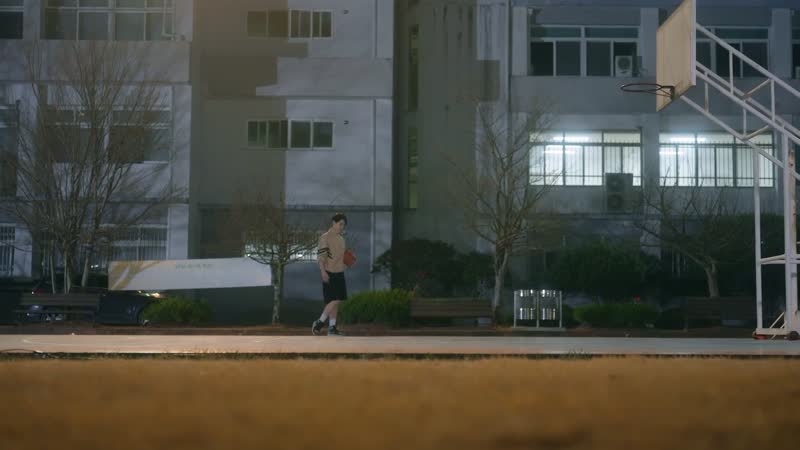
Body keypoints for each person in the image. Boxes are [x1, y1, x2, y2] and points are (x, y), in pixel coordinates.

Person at [312, 213, 349, 336]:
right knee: (334, 300)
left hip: (340, 272)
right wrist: (322, 271)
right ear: (333, 223)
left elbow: (341, 257)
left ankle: (332, 328)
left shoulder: (342, 239)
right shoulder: (325, 237)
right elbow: (321, 257)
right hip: (329, 272)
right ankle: (319, 322)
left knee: (336, 301)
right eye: (340, 224)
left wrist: (347, 261)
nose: (342, 227)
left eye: (343, 225)